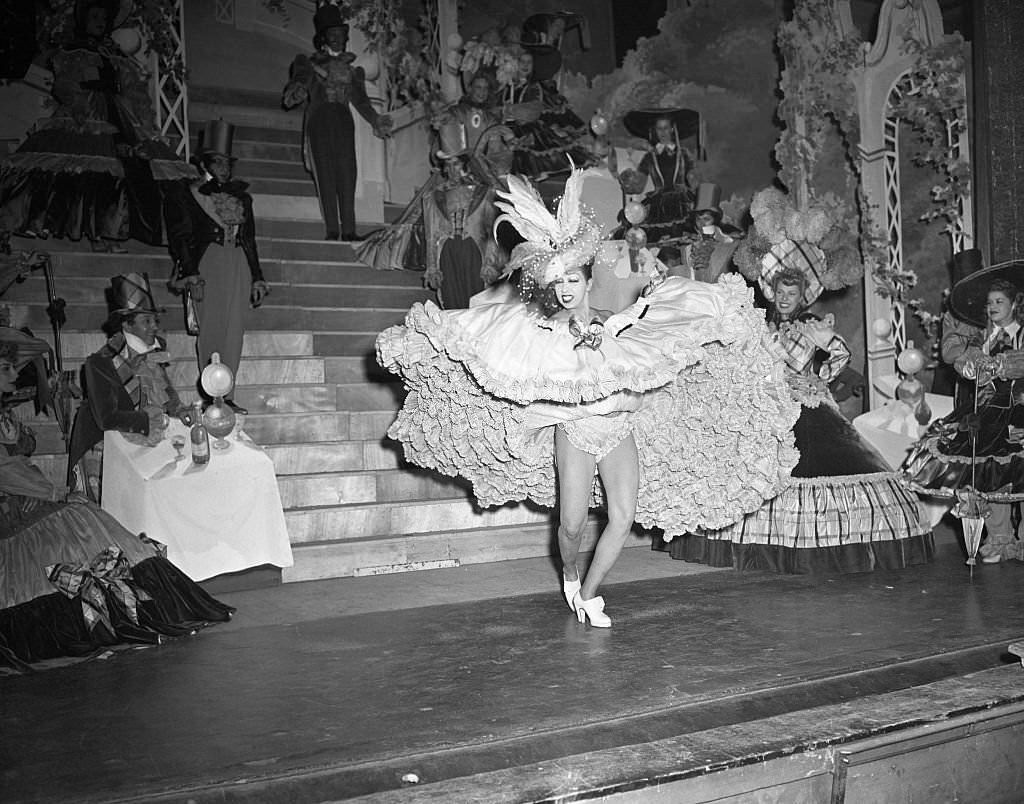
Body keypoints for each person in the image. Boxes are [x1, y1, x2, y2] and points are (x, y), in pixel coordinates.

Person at [377, 166, 801, 626]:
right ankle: (571, 575)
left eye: (572, 281)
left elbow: (640, 330)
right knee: (572, 526)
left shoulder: (610, 317)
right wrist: (439, 331)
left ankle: (590, 596)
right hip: (576, 431)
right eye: (557, 284)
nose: (564, 290)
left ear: (585, 279)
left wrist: (631, 315)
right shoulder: (544, 329)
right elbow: (493, 329)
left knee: (623, 516)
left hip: (618, 426)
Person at [667, 264, 933, 573]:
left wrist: (821, 376)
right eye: (780, 293)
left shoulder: (810, 326)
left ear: (801, 297)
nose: (784, 299)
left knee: (813, 468)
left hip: (804, 404)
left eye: (791, 294)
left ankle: (817, 547)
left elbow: (840, 355)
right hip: (767, 402)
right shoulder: (762, 325)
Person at [0, 328, 233, 670]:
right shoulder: (97, 366)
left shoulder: (6, 413)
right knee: (78, 519)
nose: (13, 374)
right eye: (4, 369)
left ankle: (143, 604)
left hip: (30, 493)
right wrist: (56, 492)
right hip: (14, 504)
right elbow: (5, 470)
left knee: (87, 518)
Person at [0, 0, 195, 251]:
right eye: (94, 17)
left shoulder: (114, 52)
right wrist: (81, 93)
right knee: (83, 170)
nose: (100, 23)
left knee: (117, 172)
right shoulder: (72, 50)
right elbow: (64, 84)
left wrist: (132, 108)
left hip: (117, 113)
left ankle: (106, 233)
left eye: (103, 19)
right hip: (85, 113)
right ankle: (41, 223)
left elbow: (131, 87)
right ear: (84, 20)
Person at [903, 260, 1024, 563]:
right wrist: (971, 364)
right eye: (989, 303)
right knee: (989, 474)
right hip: (988, 413)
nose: (992, 307)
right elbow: (957, 357)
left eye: (999, 302)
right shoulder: (982, 338)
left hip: (1019, 410)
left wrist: (1003, 364)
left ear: (1014, 305)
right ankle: (1000, 540)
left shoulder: (1021, 335)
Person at [163, 120, 269, 411]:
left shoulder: (242, 198)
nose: (224, 168)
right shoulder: (187, 193)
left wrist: (258, 277)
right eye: (218, 162)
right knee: (211, 329)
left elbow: (250, 240)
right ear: (205, 164)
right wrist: (190, 273)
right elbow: (181, 237)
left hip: (238, 263)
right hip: (208, 263)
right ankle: (213, 396)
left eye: (227, 163)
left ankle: (228, 396)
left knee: (234, 331)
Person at [67, 272, 188, 501]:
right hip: (102, 448)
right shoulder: (100, 362)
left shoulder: (153, 355)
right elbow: (106, 419)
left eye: (155, 321)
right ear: (127, 325)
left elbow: (166, 395)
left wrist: (180, 410)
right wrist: (149, 420)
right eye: (147, 321)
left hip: (139, 442)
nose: (155, 327)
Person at [282, 4, 392, 241]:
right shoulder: (308, 62)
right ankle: (333, 230)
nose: (338, 39)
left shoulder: (352, 71)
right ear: (323, 38)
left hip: (343, 122)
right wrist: (298, 90)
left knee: (347, 173)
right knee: (326, 174)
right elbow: (300, 79)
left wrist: (377, 121)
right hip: (319, 121)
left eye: (341, 35)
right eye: (333, 35)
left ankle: (349, 230)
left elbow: (361, 101)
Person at [422, 124, 505, 309]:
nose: (452, 170)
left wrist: (490, 264)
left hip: (475, 254)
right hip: (447, 254)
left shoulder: (485, 193)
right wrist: (432, 268)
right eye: (448, 165)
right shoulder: (432, 198)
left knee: (478, 302)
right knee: (451, 302)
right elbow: (431, 235)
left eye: (456, 163)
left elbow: (492, 232)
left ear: (465, 165)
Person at [621, 108, 699, 243]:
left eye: (666, 128)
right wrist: (628, 181)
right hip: (658, 205)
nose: (663, 132)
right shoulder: (649, 157)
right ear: (654, 131)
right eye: (659, 128)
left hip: (681, 201)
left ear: (672, 129)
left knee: (684, 236)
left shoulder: (683, 154)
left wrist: (697, 190)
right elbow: (638, 187)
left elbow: (693, 178)